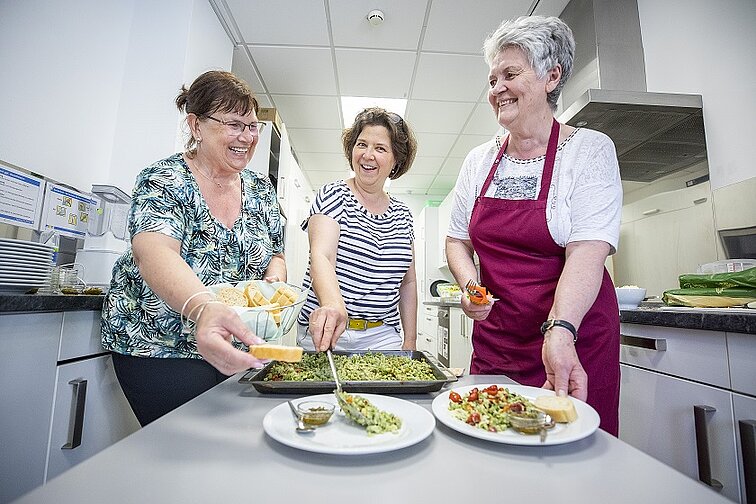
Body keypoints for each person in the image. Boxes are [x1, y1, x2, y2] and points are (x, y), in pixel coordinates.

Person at [445, 16, 622, 435]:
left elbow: (587, 252)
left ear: (551, 76)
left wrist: (561, 329)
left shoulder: (589, 151)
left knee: (567, 456)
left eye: (510, 75)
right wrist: (472, 287)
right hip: (498, 341)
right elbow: (457, 240)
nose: (496, 89)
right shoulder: (478, 161)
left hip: (571, 336)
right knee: (488, 443)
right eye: (492, 79)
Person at [101, 70, 285, 426]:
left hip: (233, 346)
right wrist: (204, 311)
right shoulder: (165, 179)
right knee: (187, 451)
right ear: (196, 125)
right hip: (159, 346)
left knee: (230, 449)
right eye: (234, 124)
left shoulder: (261, 190)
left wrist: (273, 286)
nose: (246, 137)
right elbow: (154, 253)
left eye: (251, 126)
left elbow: (275, 253)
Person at [296, 107, 419, 352]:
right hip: (327, 332)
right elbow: (322, 255)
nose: (367, 155)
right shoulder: (334, 194)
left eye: (380, 148)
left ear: (396, 160)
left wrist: (410, 340)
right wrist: (332, 306)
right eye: (361, 144)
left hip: (383, 335)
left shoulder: (403, 214)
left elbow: (408, 282)